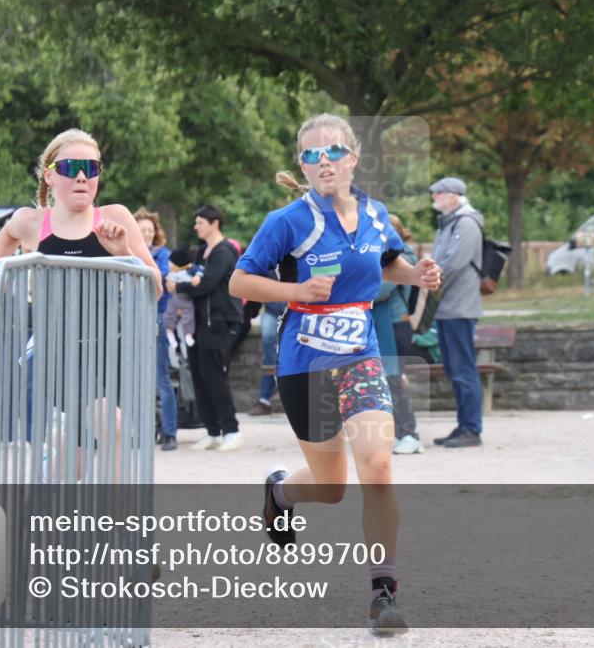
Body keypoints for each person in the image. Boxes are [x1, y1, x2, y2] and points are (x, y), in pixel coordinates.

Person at [229, 113, 441, 636]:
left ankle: (383, 592)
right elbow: (240, 281)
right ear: (301, 165)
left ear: (353, 157)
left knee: (379, 468)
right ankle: (280, 493)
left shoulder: (376, 213)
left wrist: (414, 274)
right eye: (311, 155)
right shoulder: (287, 221)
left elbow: (385, 263)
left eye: (333, 152)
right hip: (305, 363)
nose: (323, 162)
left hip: (361, 357)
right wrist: (296, 292)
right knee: (331, 486)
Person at [0, 128, 163, 476]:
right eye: (71, 167)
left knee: (80, 452)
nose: (82, 176)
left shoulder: (115, 217)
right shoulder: (31, 221)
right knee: (111, 428)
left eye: (91, 167)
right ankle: (117, 528)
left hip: (111, 351)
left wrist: (123, 253)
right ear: (50, 175)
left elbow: (154, 288)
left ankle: (40, 512)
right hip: (59, 351)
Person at [166, 205, 244, 452]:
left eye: (200, 222)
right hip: (200, 324)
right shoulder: (202, 251)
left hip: (220, 322)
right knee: (199, 377)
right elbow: (195, 278)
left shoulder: (224, 251)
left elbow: (207, 283)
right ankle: (212, 431)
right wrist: (189, 284)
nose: (196, 226)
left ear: (214, 223)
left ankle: (231, 430)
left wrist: (179, 288)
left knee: (215, 376)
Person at [429, 176, 485, 448]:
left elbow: (452, 264)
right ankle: (464, 425)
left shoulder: (466, 223)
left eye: (439, 193)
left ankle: (472, 429)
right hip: (448, 307)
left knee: (463, 368)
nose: (434, 197)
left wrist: (431, 285)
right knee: (455, 369)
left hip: (458, 308)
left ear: (454, 196)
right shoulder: (451, 223)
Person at [373, 214, 422, 454]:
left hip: (394, 328)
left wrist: (352, 288)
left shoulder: (405, 258)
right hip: (386, 328)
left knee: (393, 381)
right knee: (385, 383)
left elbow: (379, 291)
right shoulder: (383, 259)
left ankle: (410, 435)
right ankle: (398, 433)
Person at [135, 207, 179, 452]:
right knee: (136, 378)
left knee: (161, 377)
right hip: (133, 317)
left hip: (157, 317)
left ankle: (170, 432)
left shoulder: (162, 254)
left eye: (150, 230)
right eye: (142, 230)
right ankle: (141, 431)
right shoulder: (126, 252)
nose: (147, 234)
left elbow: (157, 279)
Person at [248, 274, 285, 417]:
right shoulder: (271, 255)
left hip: (296, 309)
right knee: (269, 350)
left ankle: (269, 397)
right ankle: (265, 399)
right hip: (272, 309)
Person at [163, 248, 201, 349]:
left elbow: (200, 270)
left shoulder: (190, 269)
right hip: (172, 298)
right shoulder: (169, 272)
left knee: (189, 315)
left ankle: (188, 334)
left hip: (185, 299)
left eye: (170, 262)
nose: (169, 264)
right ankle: (169, 333)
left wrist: (197, 277)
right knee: (169, 315)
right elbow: (164, 283)